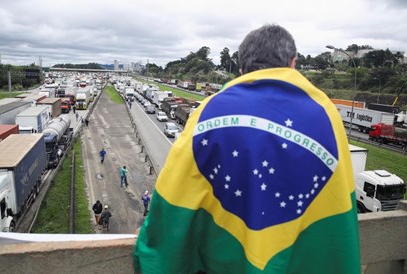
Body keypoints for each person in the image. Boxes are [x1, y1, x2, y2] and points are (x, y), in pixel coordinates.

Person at [134, 24, 361, 274]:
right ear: (293, 63)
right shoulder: (326, 114)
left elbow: (175, 193)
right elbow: (340, 200)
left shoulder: (210, 111)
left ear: (241, 69)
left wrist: (151, 247)